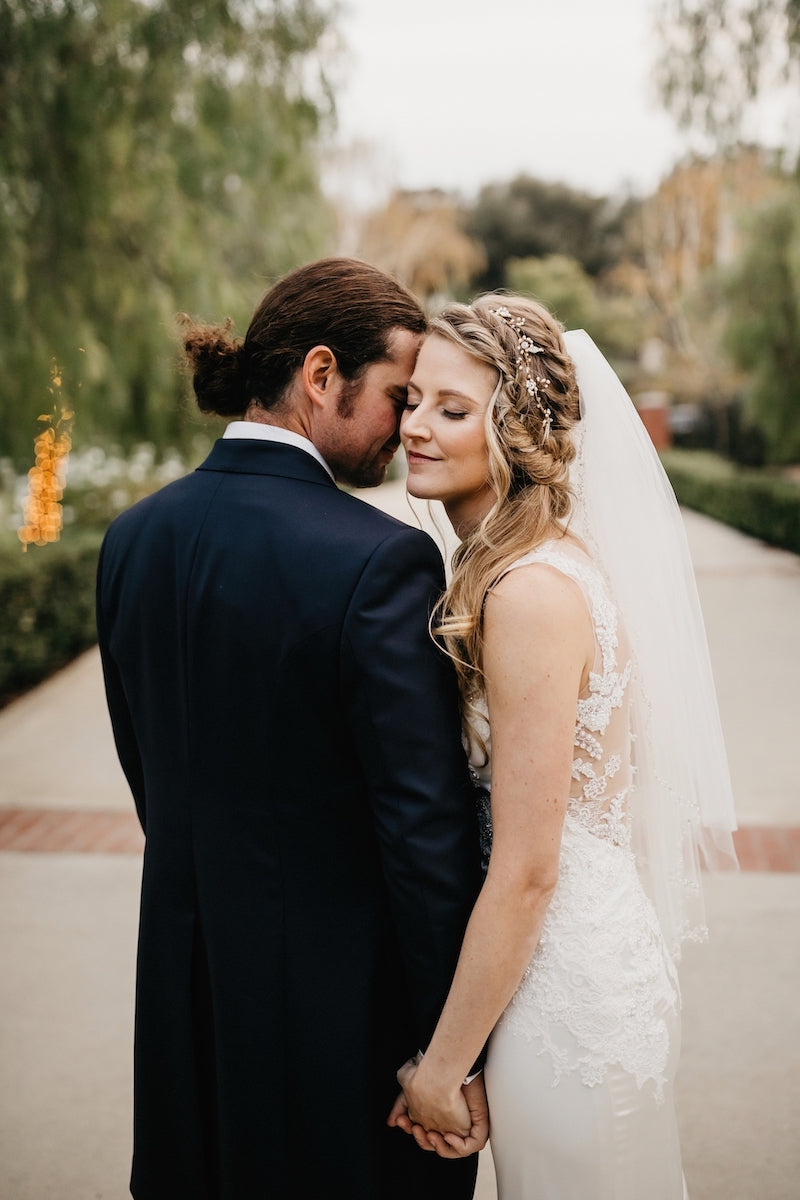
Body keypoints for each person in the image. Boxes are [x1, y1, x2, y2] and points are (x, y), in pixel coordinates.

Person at [96, 257, 488, 1200]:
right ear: (321, 376)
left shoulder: (133, 538)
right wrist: (449, 1054)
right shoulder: (381, 562)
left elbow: (152, 779)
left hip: (185, 1006)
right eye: (399, 396)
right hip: (337, 1035)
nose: (406, 430)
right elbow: (421, 835)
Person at [389, 295, 738, 1198]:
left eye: (452, 409)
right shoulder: (536, 561)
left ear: (513, 432)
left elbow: (529, 867)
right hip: (563, 967)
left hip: (562, 995)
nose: (416, 427)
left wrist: (442, 1067)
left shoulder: (529, 595)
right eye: (414, 398)